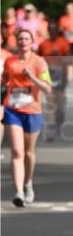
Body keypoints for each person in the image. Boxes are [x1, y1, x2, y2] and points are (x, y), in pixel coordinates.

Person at [2, 28, 51, 206]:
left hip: (32, 110)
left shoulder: (40, 62)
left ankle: (28, 183)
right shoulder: (10, 61)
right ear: (17, 41)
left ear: (32, 42)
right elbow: (3, 82)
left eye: (26, 39)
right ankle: (19, 192)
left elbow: (47, 88)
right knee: (17, 152)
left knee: (29, 153)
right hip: (12, 109)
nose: (23, 41)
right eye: (20, 38)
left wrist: (31, 77)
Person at [38, 18, 70, 141]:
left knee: (60, 105)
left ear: (57, 30)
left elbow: (69, 60)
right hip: (47, 75)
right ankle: (51, 130)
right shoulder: (43, 44)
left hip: (60, 74)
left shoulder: (63, 43)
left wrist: (60, 58)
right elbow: (38, 60)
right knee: (50, 102)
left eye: (54, 29)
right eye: (50, 29)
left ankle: (59, 122)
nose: (52, 31)